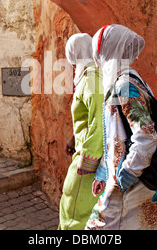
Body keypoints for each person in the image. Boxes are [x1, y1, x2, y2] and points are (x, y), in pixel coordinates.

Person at [85, 24, 157, 230]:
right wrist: (103, 173)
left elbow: (146, 137)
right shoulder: (130, 81)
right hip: (135, 181)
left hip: (131, 185)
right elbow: (116, 136)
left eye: (97, 53)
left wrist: (124, 178)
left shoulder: (124, 85)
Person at [58, 33, 104, 230]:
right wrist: (73, 139)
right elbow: (87, 117)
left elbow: (99, 119)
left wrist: (88, 160)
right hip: (84, 149)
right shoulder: (91, 75)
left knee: (75, 210)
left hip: (88, 158)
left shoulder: (91, 77)